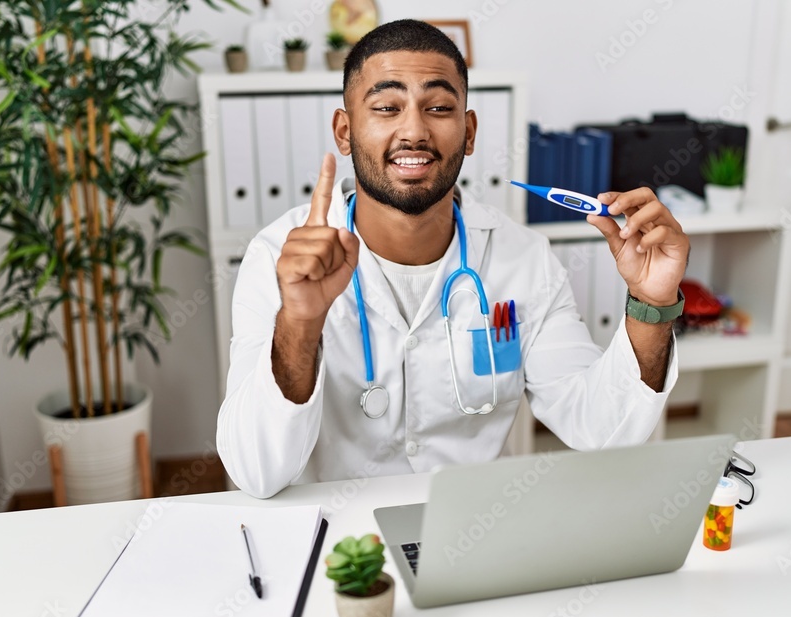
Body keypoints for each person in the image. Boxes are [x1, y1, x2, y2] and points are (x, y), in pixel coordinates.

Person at [217, 19, 690, 499]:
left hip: (473, 531)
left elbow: (601, 431)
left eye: (439, 107)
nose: (414, 130)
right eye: (386, 107)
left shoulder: (524, 259)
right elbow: (256, 471)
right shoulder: (279, 256)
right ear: (344, 131)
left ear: (468, 132)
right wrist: (299, 322)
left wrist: (651, 303)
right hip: (332, 544)